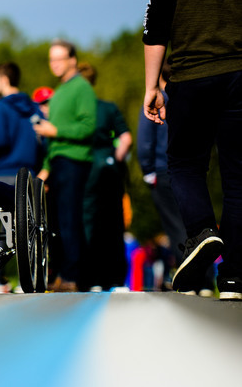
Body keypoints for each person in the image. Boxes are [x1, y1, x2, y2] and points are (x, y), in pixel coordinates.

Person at [142, 0, 242, 300]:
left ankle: (202, 230)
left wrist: (152, 86)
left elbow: (156, 25)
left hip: (190, 76)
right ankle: (237, 277)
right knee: (240, 178)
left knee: (184, 164)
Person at [137, 63, 214, 294]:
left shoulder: (157, 101)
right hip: (193, 169)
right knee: (199, 223)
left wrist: (147, 171)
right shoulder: (191, 99)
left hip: (163, 170)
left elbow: (145, 141)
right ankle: (208, 280)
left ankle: (190, 280)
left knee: (176, 227)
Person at [33, 40, 97, 291]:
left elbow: (88, 126)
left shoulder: (82, 88)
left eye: (60, 58)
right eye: (52, 59)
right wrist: (46, 169)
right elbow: (54, 141)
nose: (55, 64)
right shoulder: (59, 92)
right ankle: (62, 274)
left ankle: (73, 277)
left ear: (73, 59)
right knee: (58, 222)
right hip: (58, 162)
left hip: (75, 161)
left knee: (71, 220)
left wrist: (55, 129)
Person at [77, 62, 133, 290]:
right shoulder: (108, 108)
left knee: (88, 224)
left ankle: (91, 278)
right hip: (110, 170)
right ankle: (116, 278)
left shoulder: (77, 111)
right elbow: (126, 138)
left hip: (85, 171)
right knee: (113, 224)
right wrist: (115, 157)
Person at [0, 62, 45, 185]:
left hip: (3, 173)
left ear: (5, 80)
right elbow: (43, 142)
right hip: (30, 175)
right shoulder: (34, 107)